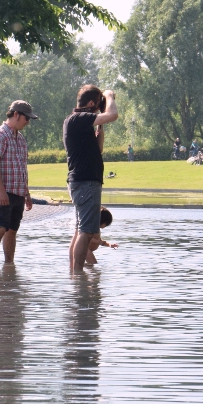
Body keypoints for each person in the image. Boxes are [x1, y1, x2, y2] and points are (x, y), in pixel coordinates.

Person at [64, 86, 118, 273]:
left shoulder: (79, 122)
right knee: (86, 231)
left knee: (80, 230)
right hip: (86, 182)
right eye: (97, 107)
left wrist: (100, 125)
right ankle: (78, 275)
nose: (98, 112)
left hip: (84, 181)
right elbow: (113, 114)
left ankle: (74, 273)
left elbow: (99, 148)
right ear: (90, 104)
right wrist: (109, 96)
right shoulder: (79, 118)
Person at [0, 100, 36, 263]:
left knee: (12, 230)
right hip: (3, 190)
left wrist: (26, 193)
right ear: (16, 115)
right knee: (0, 228)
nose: (28, 122)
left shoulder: (20, 139)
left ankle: (9, 266)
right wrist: (0, 191)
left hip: (18, 191)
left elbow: (22, 167)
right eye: (26, 118)